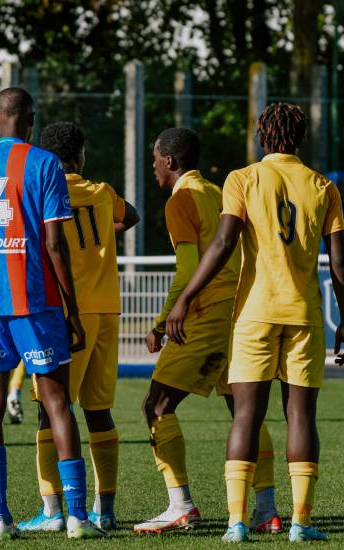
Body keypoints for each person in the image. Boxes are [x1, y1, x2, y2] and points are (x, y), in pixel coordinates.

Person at [165, 103, 344, 542]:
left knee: (246, 416)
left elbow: (224, 241)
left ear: (262, 136)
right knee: (301, 416)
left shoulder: (243, 178)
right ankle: (301, 524)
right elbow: (340, 262)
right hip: (305, 315)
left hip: (253, 314)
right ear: (300, 137)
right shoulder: (323, 186)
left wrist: (186, 298)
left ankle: (235, 523)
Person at [0, 88, 106, 540]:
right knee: (57, 402)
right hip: (37, 304)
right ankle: (76, 516)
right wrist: (72, 309)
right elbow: (55, 245)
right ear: (30, 121)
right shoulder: (45, 164)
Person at [134, 127, 280, 535]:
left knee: (156, 405)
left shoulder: (181, 199)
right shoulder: (218, 191)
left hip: (206, 314)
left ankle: (180, 505)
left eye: (154, 158)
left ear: (169, 161)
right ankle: (267, 509)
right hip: (239, 314)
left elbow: (186, 270)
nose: (153, 166)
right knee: (242, 412)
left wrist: (162, 322)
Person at [18, 121, 138, 533]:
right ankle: (105, 509)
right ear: (81, 155)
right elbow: (133, 216)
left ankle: (52, 510)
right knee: (99, 411)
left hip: (69, 311)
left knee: (49, 411)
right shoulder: (103, 193)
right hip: (108, 311)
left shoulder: (46, 191)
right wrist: (105, 230)